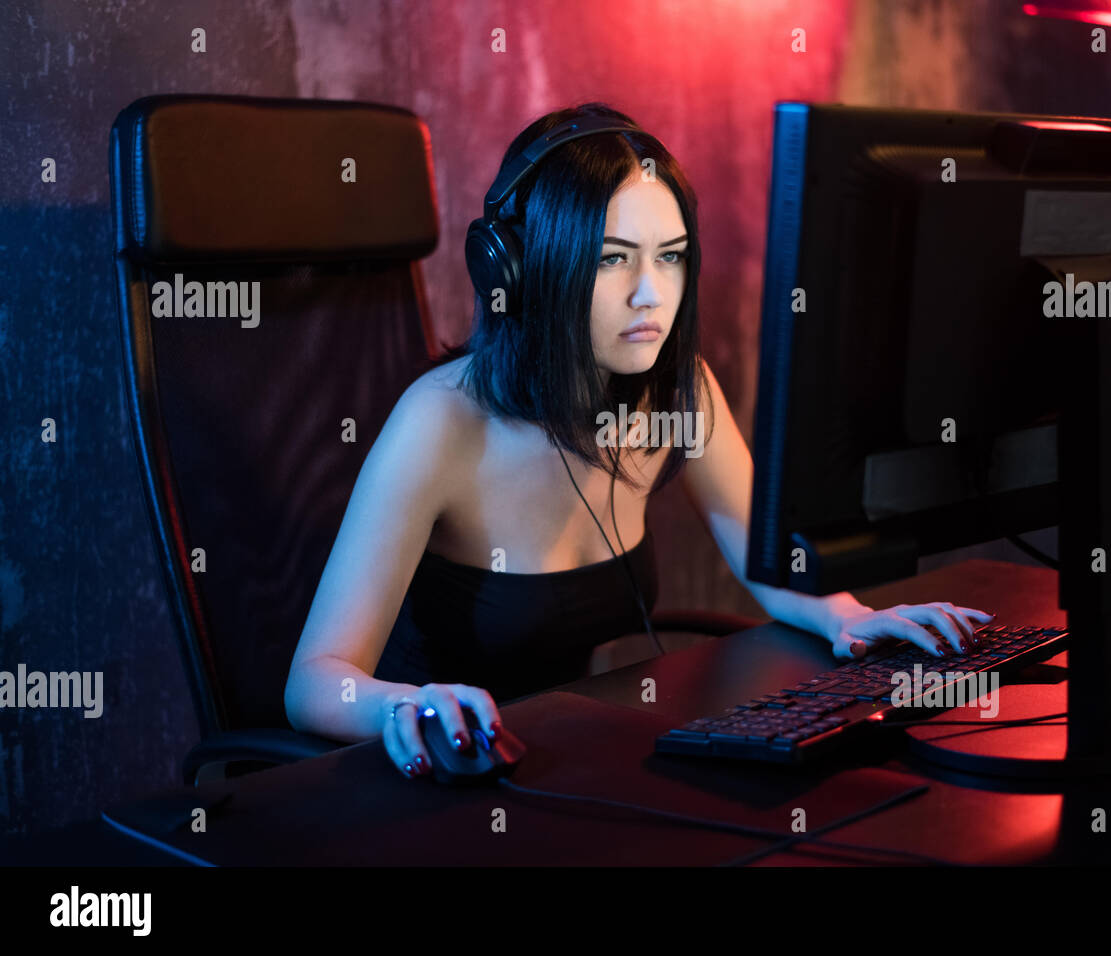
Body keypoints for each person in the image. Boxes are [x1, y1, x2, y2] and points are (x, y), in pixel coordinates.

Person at [284, 102, 991, 779]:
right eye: (613, 260)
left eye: (672, 257)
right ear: (525, 271)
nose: (651, 294)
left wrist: (855, 619)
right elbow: (315, 682)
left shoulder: (677, 393)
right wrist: (404, 707)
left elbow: (765, 560)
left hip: (562, 762)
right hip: (434, 781)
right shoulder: (440, 423)